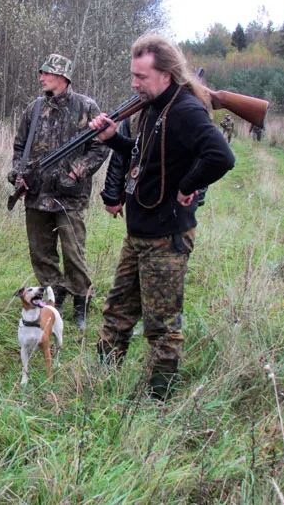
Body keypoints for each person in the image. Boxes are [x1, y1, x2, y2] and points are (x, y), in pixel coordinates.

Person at [90, 34, 235, 401]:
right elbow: (146, 156)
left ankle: (159, 402)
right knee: (116, 312)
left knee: (162, 327)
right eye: (133, 75)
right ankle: (99, 384)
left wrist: (189, 185)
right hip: (138, 233)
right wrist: (112, 139)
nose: (134, 84)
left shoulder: (186, 109)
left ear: (166, 75)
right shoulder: (153, 106)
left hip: (166, 237)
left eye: (141, 77)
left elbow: (221, 156)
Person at [8, 54, 109, 331]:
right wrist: (18, 173)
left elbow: (101, 147)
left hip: (70, 196)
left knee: (73, 252)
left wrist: (76, 172)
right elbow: (19, 147)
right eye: (41, 72)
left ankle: (81, 303)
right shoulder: (35, 108)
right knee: (41, 253)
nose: (42, 77)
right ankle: (54, 296)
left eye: (47, 73)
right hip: (37, 194)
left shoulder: (86, 107)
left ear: (63, 77)